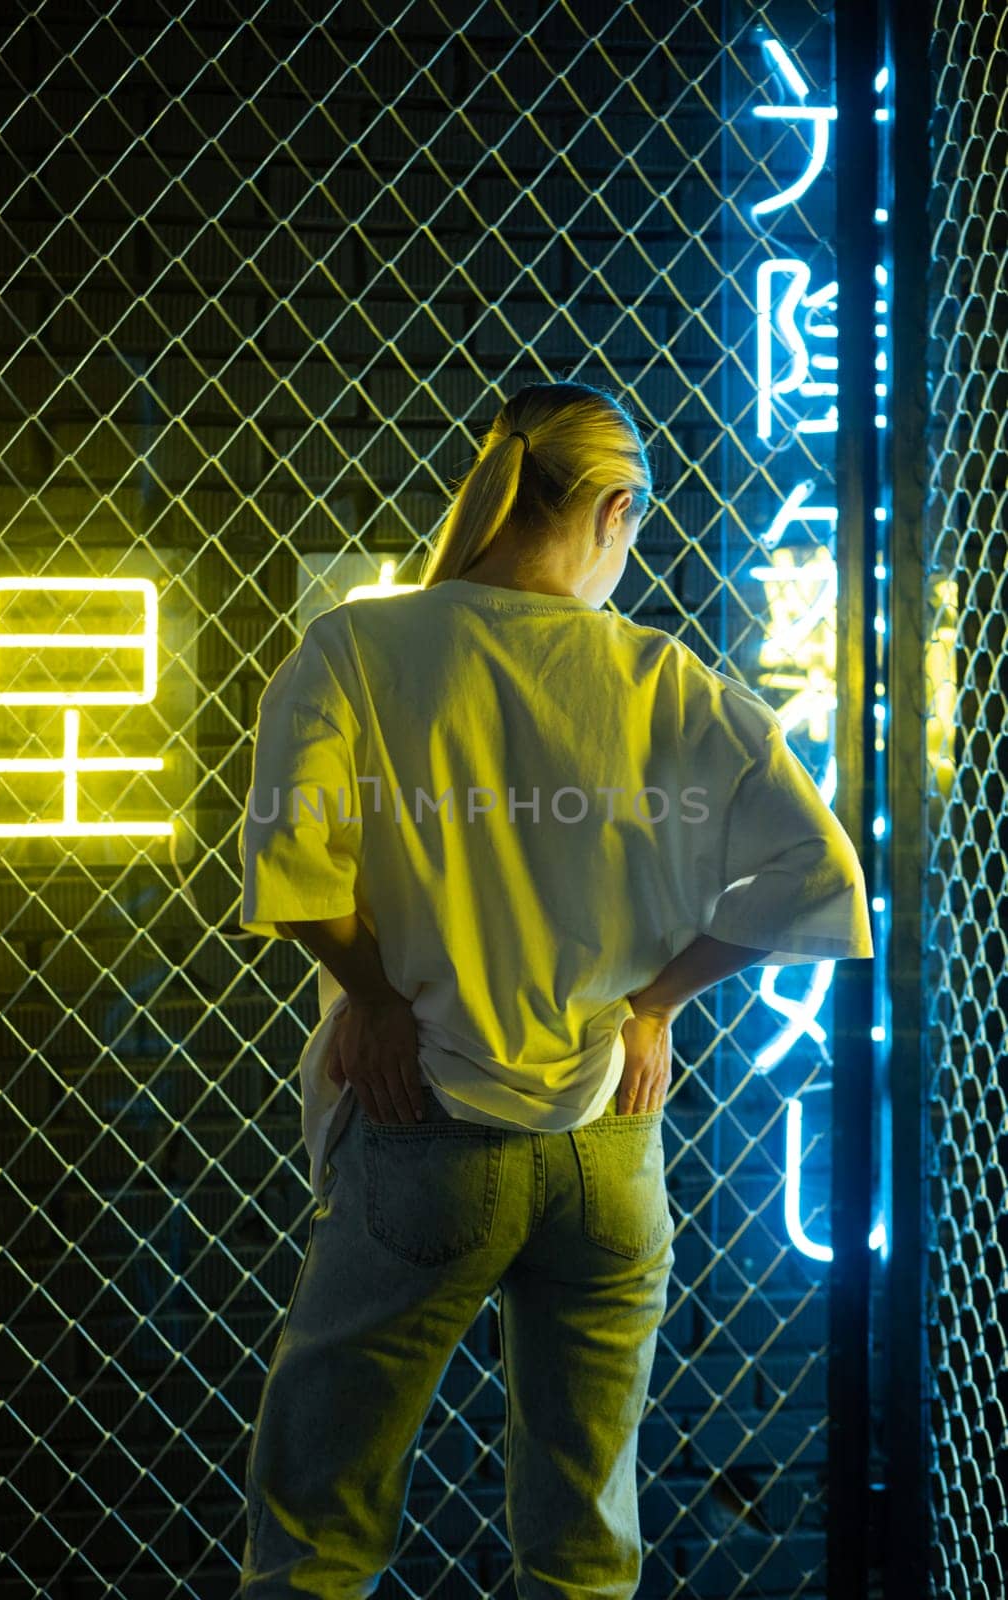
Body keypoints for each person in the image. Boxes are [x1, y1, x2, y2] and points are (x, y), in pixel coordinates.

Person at [236, 379, 874, 1598]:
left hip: (422, 1115)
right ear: (614, 508)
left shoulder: (360, 646)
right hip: (607, 1145)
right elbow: (815, 873)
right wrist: (654, 1002)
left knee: (318, 1530)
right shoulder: (660, 678)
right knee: (583, 1544)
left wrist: (370, 994)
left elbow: (293, 868)